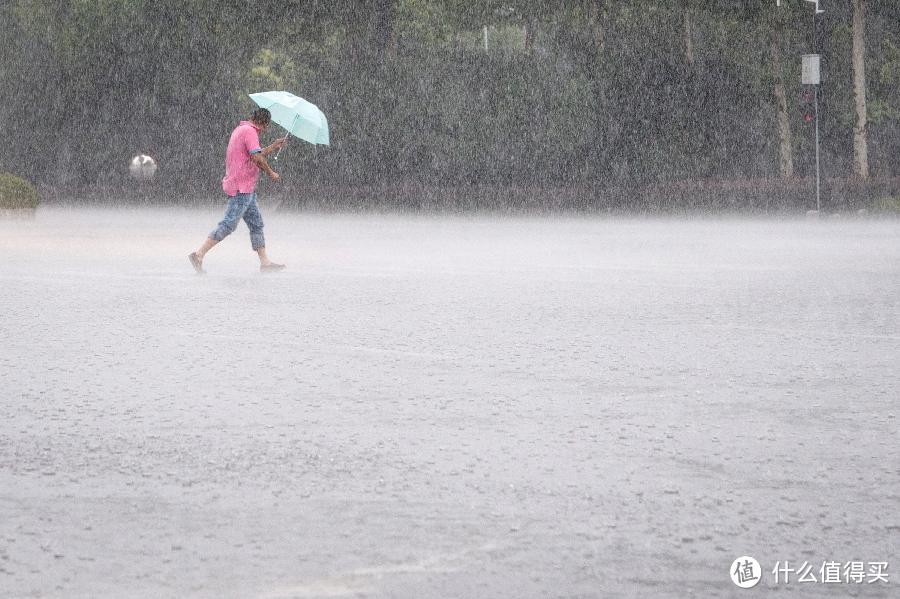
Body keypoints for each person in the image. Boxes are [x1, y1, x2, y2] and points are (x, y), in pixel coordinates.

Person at [189, 108, 287, 274]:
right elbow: (256, 158)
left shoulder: (242, 129)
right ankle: (198, 255)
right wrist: (271, 173)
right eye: (267, 126)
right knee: (229, 224)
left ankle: (265, 262)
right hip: (241, 187)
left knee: (256, 224)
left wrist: (273, 146)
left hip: (246, 187)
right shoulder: (250, 132)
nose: (266, 129)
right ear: (264, 124)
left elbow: (255, 153)